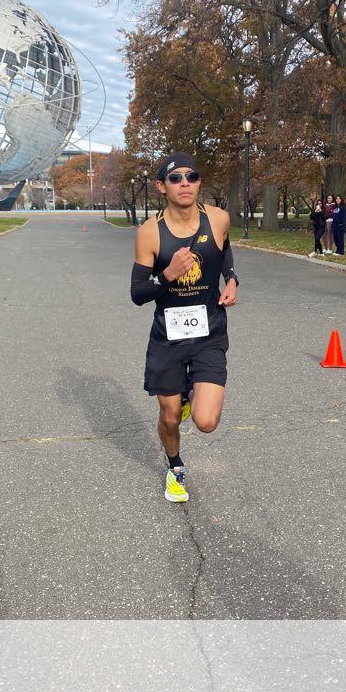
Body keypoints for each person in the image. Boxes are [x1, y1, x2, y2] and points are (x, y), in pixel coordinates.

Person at [130, 152, 239, 503]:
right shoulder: (150, 232)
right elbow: (137, 294)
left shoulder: (218, 218)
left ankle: (189, 390)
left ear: (199, 182)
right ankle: (175, 466)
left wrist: (231, 279)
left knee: (206, 421)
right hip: (168, 337)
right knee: (170, 416)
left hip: (209, 332)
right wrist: (167, 275)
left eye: (191, 176)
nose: (185, 183)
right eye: (175, 178)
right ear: (162, 186)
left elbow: (224, 249)